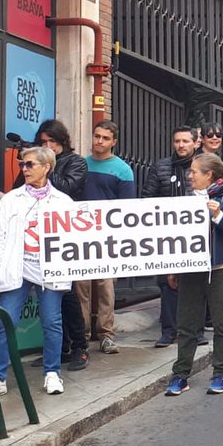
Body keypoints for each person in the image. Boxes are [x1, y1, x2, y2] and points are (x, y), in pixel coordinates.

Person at [0, 146, 73, 400]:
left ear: (46, 167)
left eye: (30, 164)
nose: (24, 169)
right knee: (6, 321)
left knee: (52, 322)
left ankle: (52, 373)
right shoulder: (11, 199)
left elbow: (74, 239)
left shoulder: (63, 202)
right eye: (22, 165)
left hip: (49, 271)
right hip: (16, 269)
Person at [164, 153, 223, 397]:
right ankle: (181, 375)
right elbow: (175, 237)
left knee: (222, 323)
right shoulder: (186, 200)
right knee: (187, 324)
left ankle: (221, 372)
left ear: (209, 175)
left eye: (194, 172)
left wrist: (218, 216)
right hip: (192, 269)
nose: (189, 176)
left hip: (222, 268)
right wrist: (173, 267)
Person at [25, 120, 90, 372]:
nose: (48, 146)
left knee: (68, 294)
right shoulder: (33, 165)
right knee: (48, 293)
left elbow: (69, 188)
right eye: (44, 143)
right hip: (39, 237)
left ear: (63, 141)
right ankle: (58, 348)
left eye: (53, 142)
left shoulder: (76, 162)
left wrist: (45, 167)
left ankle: (79, 347)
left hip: (65, 235)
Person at [142, 126, 205, 348]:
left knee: (194, 282)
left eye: (185, 141)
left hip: (194, 233)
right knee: (166, 282)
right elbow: (147, 197)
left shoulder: (203, 166)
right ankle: (168, 331)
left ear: (195, 143)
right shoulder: (160, 167)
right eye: (177, 141)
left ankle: (196, 331)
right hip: (165, 233)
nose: (181, 145)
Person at [81, 120, 136, 355]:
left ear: (114, 142)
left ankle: (106, 334)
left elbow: (126, 207)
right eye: (96, 136)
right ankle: (80, 334)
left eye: (104, 138)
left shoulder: (123, 169)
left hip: (107, 236)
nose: (99, 141)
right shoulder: (81, 165)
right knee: (80, 286)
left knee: (105, 286)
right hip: (80, 235)